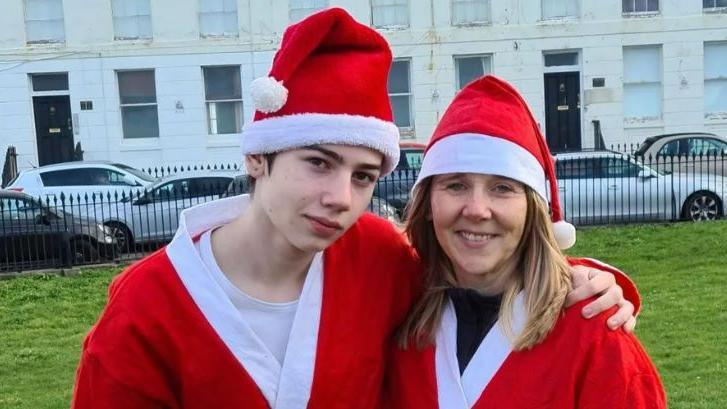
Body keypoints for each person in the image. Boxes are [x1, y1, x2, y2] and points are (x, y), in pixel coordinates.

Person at [72, 8, 639, 409]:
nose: (340, 197)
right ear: (257, 159)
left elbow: (479, 271)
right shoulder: (147, 308)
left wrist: (591, 281)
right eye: (319, 162)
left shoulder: (377, 259)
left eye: (364, 176)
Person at [385, 75, 666, 409]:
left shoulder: (595, 334)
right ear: (428, 204)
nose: (476, 210)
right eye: (456, 185)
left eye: (502, 188)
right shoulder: (402, 321)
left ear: (533, 210)